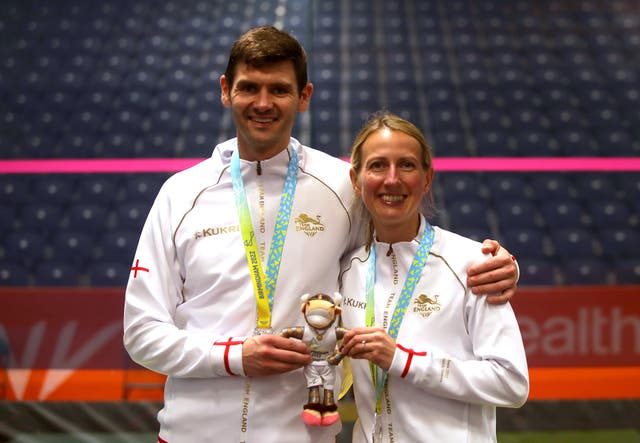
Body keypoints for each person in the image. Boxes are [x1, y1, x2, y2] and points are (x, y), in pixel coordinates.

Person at [123, 26, 520, 443]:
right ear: (226, 91)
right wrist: (234, 356)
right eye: (249, 88)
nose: (262, 103)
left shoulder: (342, 186)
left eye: (278, 89)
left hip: (302, 434)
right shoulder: (181, 194)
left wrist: (500, 265)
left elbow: (408, 243)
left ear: (304, 96)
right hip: (191, 434)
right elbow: (141, 333)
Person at [339, 111, 529, 443]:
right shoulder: (346, 270)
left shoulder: (473, 265)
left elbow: (511, 383)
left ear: (427, 179)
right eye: (378, 165)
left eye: (407, 165)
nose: (392, 179)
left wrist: (402, 360)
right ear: (356, 180)